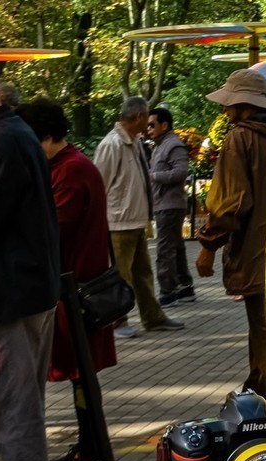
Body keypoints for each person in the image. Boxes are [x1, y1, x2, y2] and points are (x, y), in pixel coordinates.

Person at [14, 98, 119, 461]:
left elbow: (53, 230)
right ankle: (85, 450)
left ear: (43, 136)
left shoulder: (70, 171)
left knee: (82, 378)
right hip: (75, 291)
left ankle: (91, 455)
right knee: (80, 378)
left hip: (79, 295)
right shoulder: (66, 166)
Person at [0, 59, 62, 461]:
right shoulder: (8, 133)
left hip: (8, 294)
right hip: (20, 289)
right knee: (17, 405)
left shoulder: (4, 139)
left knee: (13, 409)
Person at [196, 69, 266, 402]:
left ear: (242, 104)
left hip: (257, 254)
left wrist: (208, 246)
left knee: (263, 330)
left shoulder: (239, 139)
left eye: (228, 104)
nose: (225, 111)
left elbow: (231, 202)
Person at [94, 97, 185, 338]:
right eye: (146, 117)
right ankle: (117, 322)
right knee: (121, 275)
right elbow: (99, 184)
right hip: (118, 221)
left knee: (142, 273)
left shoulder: (134, 142)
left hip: (135, 220)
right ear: (138, 117)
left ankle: (153, 317)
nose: (148, 123)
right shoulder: (111, 144)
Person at [147, 107, 196, 307]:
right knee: (176, 247)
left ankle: (168, 292)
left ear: (164, 125)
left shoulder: (173, 145)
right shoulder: (159, 145)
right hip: (163, 204)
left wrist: (153, 176)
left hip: (170, 205)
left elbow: (180, 172)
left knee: (164, 250)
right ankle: (185, 287)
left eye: (152, 124)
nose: (148, 129)